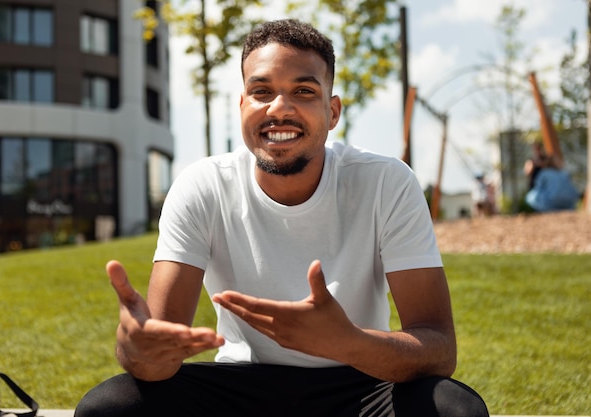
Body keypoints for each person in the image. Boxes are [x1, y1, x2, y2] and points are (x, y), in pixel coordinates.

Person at [75, 19, 489, 417]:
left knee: (455, 408)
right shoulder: (201, 186)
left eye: (304, 91)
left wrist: (347, 343)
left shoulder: (387, 182)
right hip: (239, 387)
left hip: (357, 384)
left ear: (333, 112)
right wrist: (136, 349)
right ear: (242, 106)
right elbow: (157, 360)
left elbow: (438, 348)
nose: (279, 108)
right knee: (110, 406)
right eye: (261, 91)